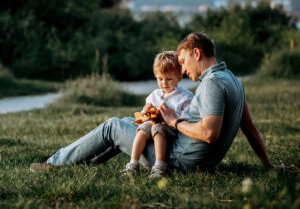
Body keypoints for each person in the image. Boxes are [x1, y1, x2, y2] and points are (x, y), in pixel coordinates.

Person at [30, 32, 280, 174]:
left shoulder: (212, 84)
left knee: (112, 126)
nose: (182, 69)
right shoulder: (233, 79)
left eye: (182, 61)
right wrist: (268, 165)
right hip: (193, 157)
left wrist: (175, 120)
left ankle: (53, 162)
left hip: (180, 160)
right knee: (131, 123)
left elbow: (209, 133)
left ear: (197, 53)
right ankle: (78, 164)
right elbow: (249, 128)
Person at [121, 51, 193, 178]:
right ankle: (133, 164)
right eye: (160, 79)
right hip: (154, 124)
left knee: (157, 127)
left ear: (179, 78)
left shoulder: (185, 96)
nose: (164, 83)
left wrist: (172, 120)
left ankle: (160, 166)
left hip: (172, 129)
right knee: (143, 128)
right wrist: (147, 111)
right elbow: (143, 117)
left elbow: (187, 118)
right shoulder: (154, 94)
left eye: (169, 79)